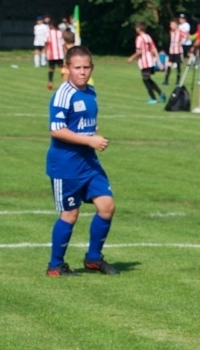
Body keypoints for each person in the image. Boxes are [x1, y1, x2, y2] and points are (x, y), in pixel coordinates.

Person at [45, 47, 118, 277]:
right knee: (70, 214)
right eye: (77, 68)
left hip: (89, 163)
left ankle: (94, 259)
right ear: (67, 68)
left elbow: (82, 123)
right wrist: (89, 140)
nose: (82, 72)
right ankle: (55, 266)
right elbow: (56, 130)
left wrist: (91, 132)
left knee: (107, 207)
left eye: (86, 67)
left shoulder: (91, 92)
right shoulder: (63, 94)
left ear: (92, 68)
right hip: (66, 165)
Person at [127, 21, 164, 104]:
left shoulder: (139, 38)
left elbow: (139, 51)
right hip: (150, 61)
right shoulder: (148, 36)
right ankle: (161, 94)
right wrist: (158, 60)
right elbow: (154, 48)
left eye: (136, 27)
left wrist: (131, 58)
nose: (136, 29)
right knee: (148, 79)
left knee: (146, 80)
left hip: (144, 62)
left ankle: (153, 98)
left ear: (139, 29)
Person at [167, 12, 191, 87]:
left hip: (179, 49)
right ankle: (166, 80)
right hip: (172, 50)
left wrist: (182, 42)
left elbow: (187, 35)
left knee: (178, 65)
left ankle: (178, 80)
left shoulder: (184, 27)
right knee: (169, 64)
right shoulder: (172, 31)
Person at [44, 19, 66, 90]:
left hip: (51, 54)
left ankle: (50, 82)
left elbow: (46, 43)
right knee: (62, 68)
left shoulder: (48, 33)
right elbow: (63, 43)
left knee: (51, 68)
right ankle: (64, 82)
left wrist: (45, 52)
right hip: (60, 54)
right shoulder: (60, 33)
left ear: (51, 25)